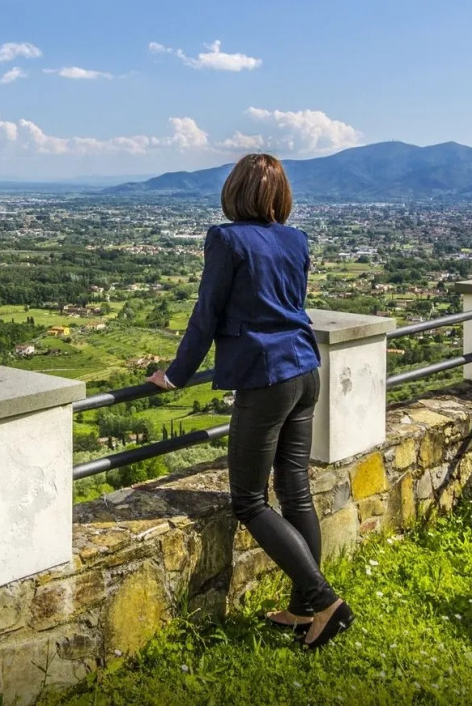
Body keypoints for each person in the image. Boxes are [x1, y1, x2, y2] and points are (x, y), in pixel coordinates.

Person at [146, 153, 354, 650]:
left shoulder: (226, 239)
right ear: (280, 196)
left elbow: (208, 313)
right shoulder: (296, 238)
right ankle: (306, 610)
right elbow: (288, 304)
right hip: (305, 370)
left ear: (235, 191)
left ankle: (325, 601)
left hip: (264, 379)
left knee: (249, 500)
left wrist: (176, 374)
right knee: (295, 489)